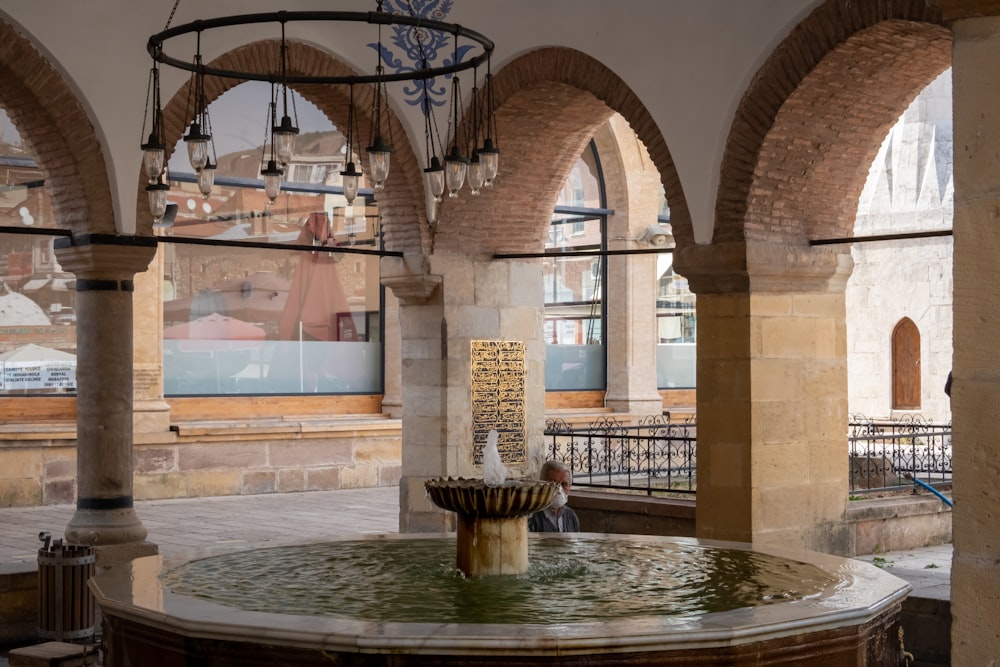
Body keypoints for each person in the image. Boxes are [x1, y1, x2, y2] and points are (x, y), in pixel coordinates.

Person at [528, 460, 580, 532]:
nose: (559, 489)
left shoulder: (570, 515)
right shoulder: (531, 518)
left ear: (569, 486)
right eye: (553, 483)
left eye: (564, 484)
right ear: (542, 484)